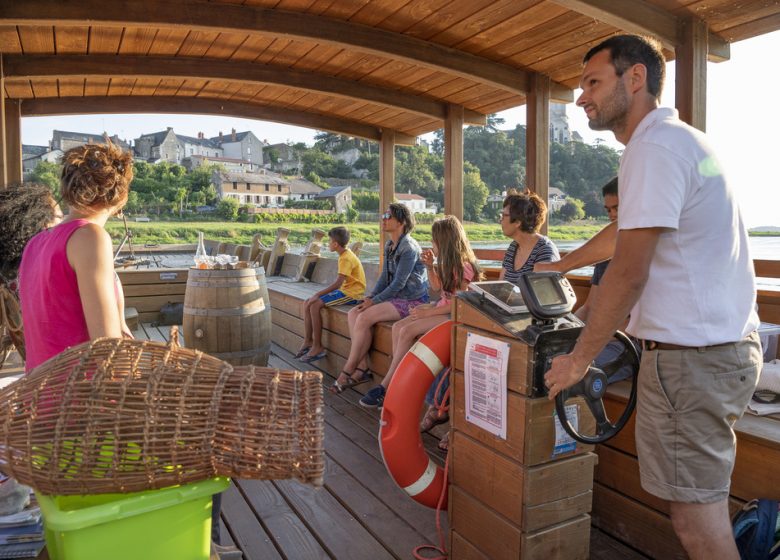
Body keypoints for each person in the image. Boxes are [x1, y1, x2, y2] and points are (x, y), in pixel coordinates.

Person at [543, 35, 761, 560]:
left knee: (695, 518)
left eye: (593, 83)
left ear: (634, 78)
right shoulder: (678, 141)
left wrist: (578, 360)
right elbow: (626, 234)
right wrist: (562, 265)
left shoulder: (653, 148)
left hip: (693, 362)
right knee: (694, 511)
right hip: (712, 355)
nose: (581, 99)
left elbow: (628, 272)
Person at [19, 142, 135, 372]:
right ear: (121, 196)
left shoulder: (34, 243)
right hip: (80, 398)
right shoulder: (90, 237)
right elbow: (106, 350)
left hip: (38, 398)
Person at [359, 216, 482, 409]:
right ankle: (398, 373)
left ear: (445, 241)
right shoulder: (447, 264)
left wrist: (429, 313)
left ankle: (388, 386)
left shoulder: (464, 266)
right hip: (441, 309)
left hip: (454, 315)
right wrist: (430, 267)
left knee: (407, 331)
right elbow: (437, 287)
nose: (432, 244)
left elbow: (459, 303)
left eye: (434, 240)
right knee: (399, 327)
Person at [333, 203, 428, 393]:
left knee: (364, 316)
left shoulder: (408, 248)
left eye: (388, 216)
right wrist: (371, 297)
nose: (383, 219)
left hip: (412, 300)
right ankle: (362, 366)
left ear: (401, 222)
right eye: (384, 215)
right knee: (354, 313)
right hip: (395, 298)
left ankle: (348, 370)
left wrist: (374, 302)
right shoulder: (390, 245)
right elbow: (385, 277)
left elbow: (399, 283)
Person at [0, 183, 62, 364]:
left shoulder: (8, 270)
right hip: (64, 363)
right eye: (59, 216)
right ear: (41, 220)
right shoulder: (44, 265)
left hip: (33, 360)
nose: (63, 220)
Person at [296, 226, 366, 363]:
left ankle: (318, 346)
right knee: (307, 302)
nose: (328, 244)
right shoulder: (344, 254)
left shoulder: (345, 258)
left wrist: (317, 294)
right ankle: (308, 341)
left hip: (352, 294)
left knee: (315, 304)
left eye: (329, 241)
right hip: (345, 290)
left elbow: (338, 283)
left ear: (335, 244)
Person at [498, 189, 560, 284]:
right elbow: (500, 287)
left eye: (504, 216)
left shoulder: (545, 251)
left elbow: (540, 295)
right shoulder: (513, 247)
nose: (500, 220)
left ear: (518, 222)